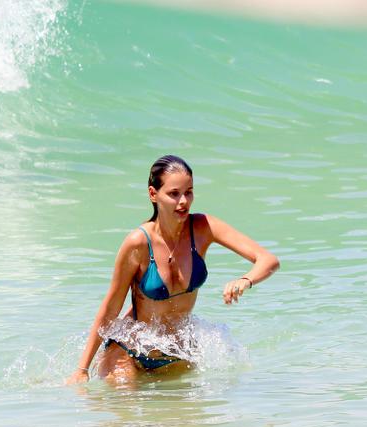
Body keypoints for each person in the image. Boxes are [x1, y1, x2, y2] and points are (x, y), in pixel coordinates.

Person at [65, 155, 280, 385]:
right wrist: (82, 369)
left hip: (177, 355)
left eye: (189, 192)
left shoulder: (203, 228)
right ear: (153, 194)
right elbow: (111, 308)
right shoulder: (138, 243)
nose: (183, 201)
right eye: (174, 193)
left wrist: (245, 280)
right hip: (130, 353)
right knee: (125, 411)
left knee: (184, 418)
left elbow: (268, 260)